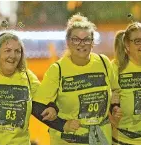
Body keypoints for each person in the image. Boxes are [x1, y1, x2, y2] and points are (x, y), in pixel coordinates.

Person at [33, 13, 121, 145]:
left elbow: (115, 90)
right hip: (68, 140)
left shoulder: (103, 62)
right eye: (76, 39)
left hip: (101, 139)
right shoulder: (58, 69)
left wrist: (115, 106)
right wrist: (63, 124)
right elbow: (37, 106)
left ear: (92, 42)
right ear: (68, 42)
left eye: (86, 39)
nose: (82, 44)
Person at [0, 32, 62, 145]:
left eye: (17, 51)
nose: (13, 55)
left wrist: (52, 107)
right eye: (7, 51)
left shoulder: (27, 77)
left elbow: (44, 99)